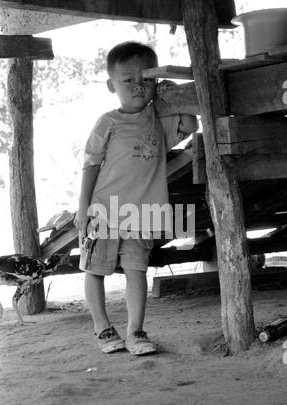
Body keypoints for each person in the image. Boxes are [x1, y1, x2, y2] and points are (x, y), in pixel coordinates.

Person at [75, 41, 198, 356]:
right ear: (111, 85)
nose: (138, 86)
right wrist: (82, 208)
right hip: (104, 210)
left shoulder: (158, 119)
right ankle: (102, 328)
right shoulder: (108, 122)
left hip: (141, 214)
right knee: (95, 270)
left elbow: (190, 122)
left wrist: (167, 88)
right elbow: (90, 166)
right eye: (128, 80)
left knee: (136, 271)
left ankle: (135, 332)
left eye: (146, 79)